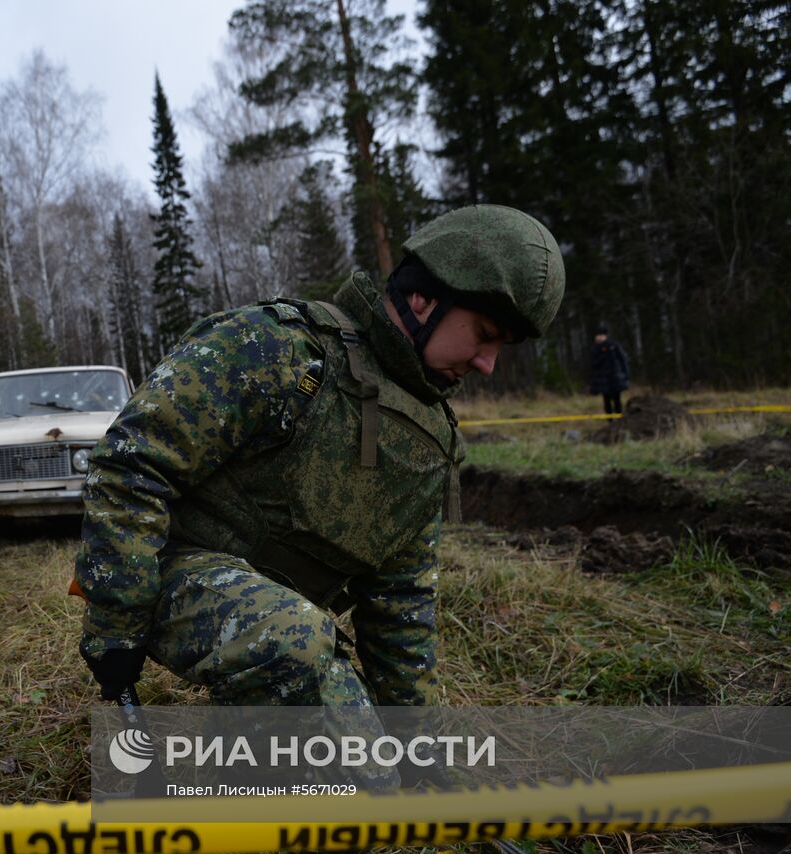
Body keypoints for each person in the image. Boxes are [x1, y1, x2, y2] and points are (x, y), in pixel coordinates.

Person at [73, 205, 564, 788]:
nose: (488, 363)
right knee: (298, 642)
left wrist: (421, 748)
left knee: (371, 790)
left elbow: (399, 602)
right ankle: (230, 777)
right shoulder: (278, 350)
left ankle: (252, 745)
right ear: (426, 300)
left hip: (288, 624)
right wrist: (116, 632)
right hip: (171, 580)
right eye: (484, 335)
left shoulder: (428, 439)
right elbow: (131, 467)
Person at [588, 323, 630, 415]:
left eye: (601, 335)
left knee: (617, 399)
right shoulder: (595, 349)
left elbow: (623, 360)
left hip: (615, 378)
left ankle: (619, 418)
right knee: (606, 401)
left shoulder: (614, 346)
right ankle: (610, 420)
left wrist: (626, 374)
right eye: (597, 335)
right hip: (603, 380)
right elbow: (593, 365)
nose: (599, 337)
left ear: (605, 335)